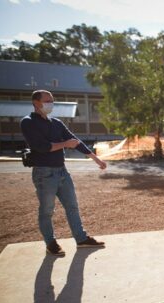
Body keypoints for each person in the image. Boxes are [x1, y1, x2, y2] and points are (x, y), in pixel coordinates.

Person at [20, 90, 106, 256]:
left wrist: (96, 159)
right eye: (47, 101)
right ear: (36, 103)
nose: (50, 104)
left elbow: (76, 141)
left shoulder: (56, 123)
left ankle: (81, 239)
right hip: (44, 174)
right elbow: (42, 147)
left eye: (52, 101)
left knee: (72, 206)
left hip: (62, 172)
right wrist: (65, 144)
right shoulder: (28, 122)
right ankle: (50, 243)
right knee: (47, 210)